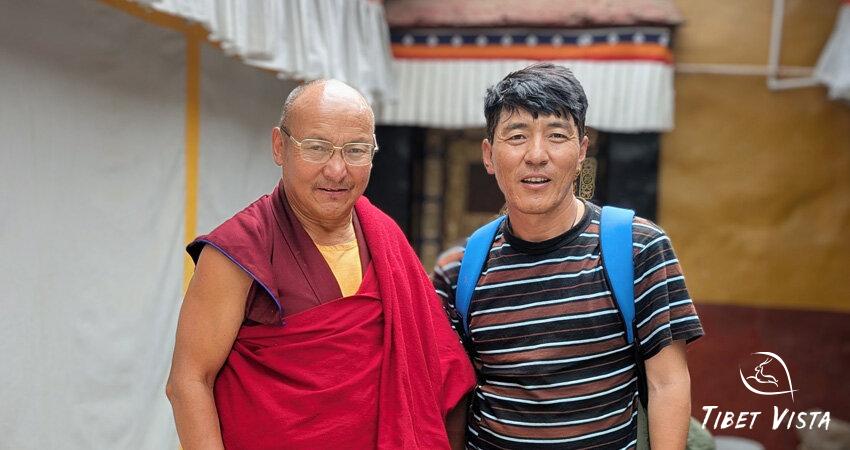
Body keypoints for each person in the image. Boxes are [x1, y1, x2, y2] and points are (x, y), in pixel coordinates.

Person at [166, 79, 475, 450]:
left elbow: (438, 367)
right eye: (317, 147)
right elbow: (188, 381)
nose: (337, 169)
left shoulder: (385, 238)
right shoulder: (239, 249)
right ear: (280, 146)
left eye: (356, 150)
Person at [431, 63, 704, 449]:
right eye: (517, 136)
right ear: (489, 156)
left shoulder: (638, 248)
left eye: (557, 136)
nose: (536, 155)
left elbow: (667, 382)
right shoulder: (458, 270)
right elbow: (453, 395)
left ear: (581, 153)